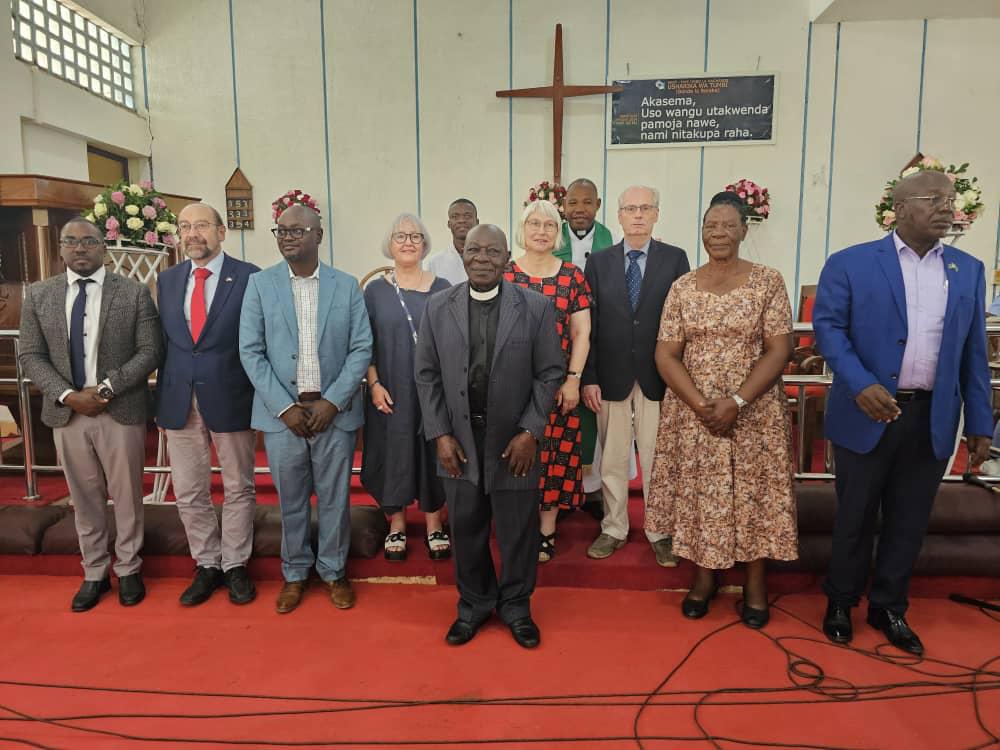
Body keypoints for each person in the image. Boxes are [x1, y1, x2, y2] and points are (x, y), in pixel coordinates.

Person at [813, 169, 992, 655]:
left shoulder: (967, 269)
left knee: (909, 519)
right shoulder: (851, 263)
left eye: (950, 200)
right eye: (934, 199)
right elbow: (828, 329)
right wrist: (860, 383)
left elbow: (974, 354)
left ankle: (889, 606)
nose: (945, 208)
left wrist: (980, 423)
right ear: (901, 206)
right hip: (866, 411)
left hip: (931, 416)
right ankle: (840, 601)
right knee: (855, 513)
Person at [646, 192, 797, 628]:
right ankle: (704, 577)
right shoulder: (682, 287)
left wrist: (737, 402)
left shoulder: (768, 281)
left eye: (729, 225)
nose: (719, 233)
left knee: (753, 495)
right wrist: (700, 405)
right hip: (695, 413)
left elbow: (779, 348)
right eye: (711, 225)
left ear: (744, 231)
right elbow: (666, 353)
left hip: (754, 411)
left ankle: (754, 582)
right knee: (701, 495)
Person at [415, 224, 564, 648]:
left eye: (492, 251)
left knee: (518, 530)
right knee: (466, 526)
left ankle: (517, 605)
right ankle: (474, 604)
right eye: (475, 250)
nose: (482, 258)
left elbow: (550, 371)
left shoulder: (534, 307)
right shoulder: (437, 307)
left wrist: (530, 431)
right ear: (463, 254)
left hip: (515, 442)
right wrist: (440, 433)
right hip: (458, 441)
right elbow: (425, 375)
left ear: (505, 258)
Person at [19, 218, 162, 611]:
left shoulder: (132, 293)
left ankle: (130, 568)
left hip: (119, 408)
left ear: (103, 247)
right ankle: (95, 571)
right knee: (84, 496)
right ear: (60, 249)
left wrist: (106, 388)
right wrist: (67, 395)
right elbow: (30, 354)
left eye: (89, 241)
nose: (80, 248)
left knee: (128, 494)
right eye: (71, 242)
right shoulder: (41, 295)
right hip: (68, 414)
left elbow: (150, 350)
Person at [239, 199, 373, 614]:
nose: (288, 238)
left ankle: (333, 571)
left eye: (297, 231)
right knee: (291, 500)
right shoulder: (261, 285)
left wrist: (333, 401)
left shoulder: (346, 285)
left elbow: (361, 347)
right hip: (283, 418)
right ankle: (295, 573)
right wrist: (284, 407)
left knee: (335, 499)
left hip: (335, 413)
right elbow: (250, 351)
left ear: (318, 234)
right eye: (281, 231)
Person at [156, 202, 260, 606]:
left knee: (238, 486)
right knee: (188, 489)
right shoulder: (167, 281)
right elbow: (164, 343)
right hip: (179, 398)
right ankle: (207, 564)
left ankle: (235, 564)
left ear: (221, 231)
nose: (192, 233)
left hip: (232, 394)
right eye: (184, 226)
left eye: (201, 225)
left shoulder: (249, 277)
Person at [582, 185, 690, 565]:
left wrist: (682, 380)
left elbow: (683, 321)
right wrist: (588, 376)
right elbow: (588, 325)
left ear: (657, 214)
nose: (638, 214)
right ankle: (613, 528)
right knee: (611, 458)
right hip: (610, 375)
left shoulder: (675, 259)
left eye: (646, 208)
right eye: (631, 208)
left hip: (658, 376)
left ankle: (660, 530)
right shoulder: (598, 262)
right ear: (619, 214)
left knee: (658, 458)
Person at [504, 199, 591, 562]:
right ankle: (515, 527)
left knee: (554, 454)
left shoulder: (572, 276)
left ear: (558, 233)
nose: (541, 231)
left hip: (557, 388)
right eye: (534, 224)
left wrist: (573, 379)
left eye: (549, 225)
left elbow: (582, 332)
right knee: (512, 455)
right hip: (511, 389)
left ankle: (546, 531)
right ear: (522, 229)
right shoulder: (504, 274)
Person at [361, 213, 451, 561]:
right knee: (392, 451)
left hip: (433, 390)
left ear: (425, 243)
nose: (408, 242)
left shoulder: (443, 288)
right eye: (400, 236)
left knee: (434, 451)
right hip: (389, 388)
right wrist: (374, 384)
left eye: (415, 236)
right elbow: (364, 342)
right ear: (390, 245)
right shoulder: (376, 291)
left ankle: (434, 524)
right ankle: (396, 524)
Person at [558, 178, 617, 516]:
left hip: (601, 343)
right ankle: (565, 487)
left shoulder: (612, 242)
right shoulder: (552, 240)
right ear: (564, 206)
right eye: (573, 202)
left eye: (586, 202)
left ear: (597, 204)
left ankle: (593, 491)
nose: (579, 209)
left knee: (596, 415)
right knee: (567, 414)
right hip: (563, 342)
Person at [426, 199, 477, 285]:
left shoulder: (489, 259)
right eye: (455, 217)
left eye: (467, 216)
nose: (461, 220)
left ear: (477, 222)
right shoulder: (435, 263)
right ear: (449, 224)